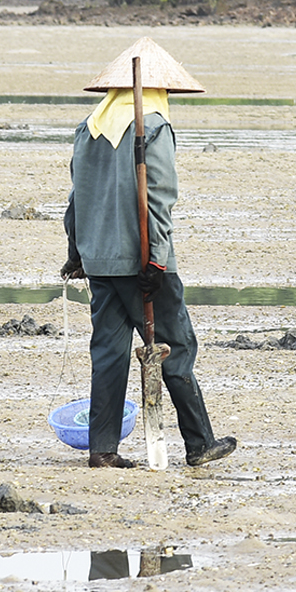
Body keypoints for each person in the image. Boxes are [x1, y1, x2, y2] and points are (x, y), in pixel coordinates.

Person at [61, 37, 237, 469]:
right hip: (143, 264)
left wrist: (76, 251)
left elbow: (75, 201)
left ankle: (102, 449)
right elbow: (158, 197)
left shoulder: (88, 130)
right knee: (175, 347)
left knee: (108, 353)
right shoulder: (154, 127)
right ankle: (199, 443)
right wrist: (157, 259)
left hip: (99, 259)